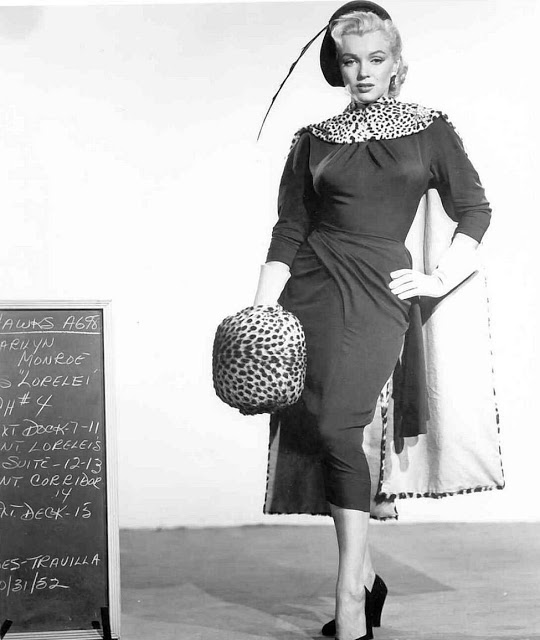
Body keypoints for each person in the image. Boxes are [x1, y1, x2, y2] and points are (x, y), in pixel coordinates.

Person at [252, 3, 496, 639]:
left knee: (339, 424)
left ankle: (351, 599)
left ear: (396, 63)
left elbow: (474, 208)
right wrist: (260, 309)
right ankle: (361, 579)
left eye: (376, 58)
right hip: (311, 289)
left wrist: (439, 279)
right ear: (337, 67)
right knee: (323, 431)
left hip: (380, 290)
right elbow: (289, 228)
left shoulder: (429, 129)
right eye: (350, 61)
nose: (362, 71)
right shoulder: (312, 139)